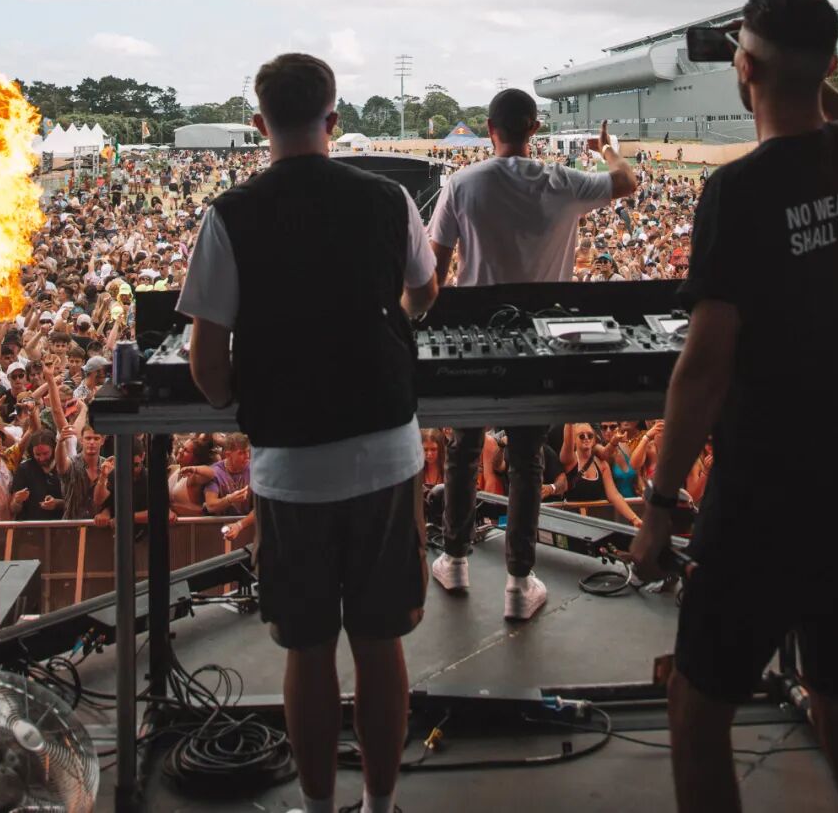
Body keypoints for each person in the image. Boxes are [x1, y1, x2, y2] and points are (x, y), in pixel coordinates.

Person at [629, 0, 838, 813]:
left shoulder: (739, 191)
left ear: (743, 69)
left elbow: (704, 366)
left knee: (696, 708)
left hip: (766, 500)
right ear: (831, 66)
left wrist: (658, 504)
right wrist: (792, 62)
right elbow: (833, 105)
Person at [177, 53, 438, 813]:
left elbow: (207, 366)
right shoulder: (390, 198)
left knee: (308, 648)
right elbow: (423, 295)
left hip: (289, 467)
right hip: (386, 453)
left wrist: (252, 395)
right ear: (334, 119)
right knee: (381, 644)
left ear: (259, 123)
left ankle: (320, 806)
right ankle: (381, 805)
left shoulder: (229, 214)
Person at [427, 89, 636, 620]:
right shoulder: (563, 182)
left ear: (489, 128)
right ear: (534, 129)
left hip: (474, 336)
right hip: (541, 339)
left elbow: (435, 271)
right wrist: (607, 150)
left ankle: (454, 560)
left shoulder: (462, 183)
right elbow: (627, 181)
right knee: (526, 459)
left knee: (462, 450)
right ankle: (520, 584)